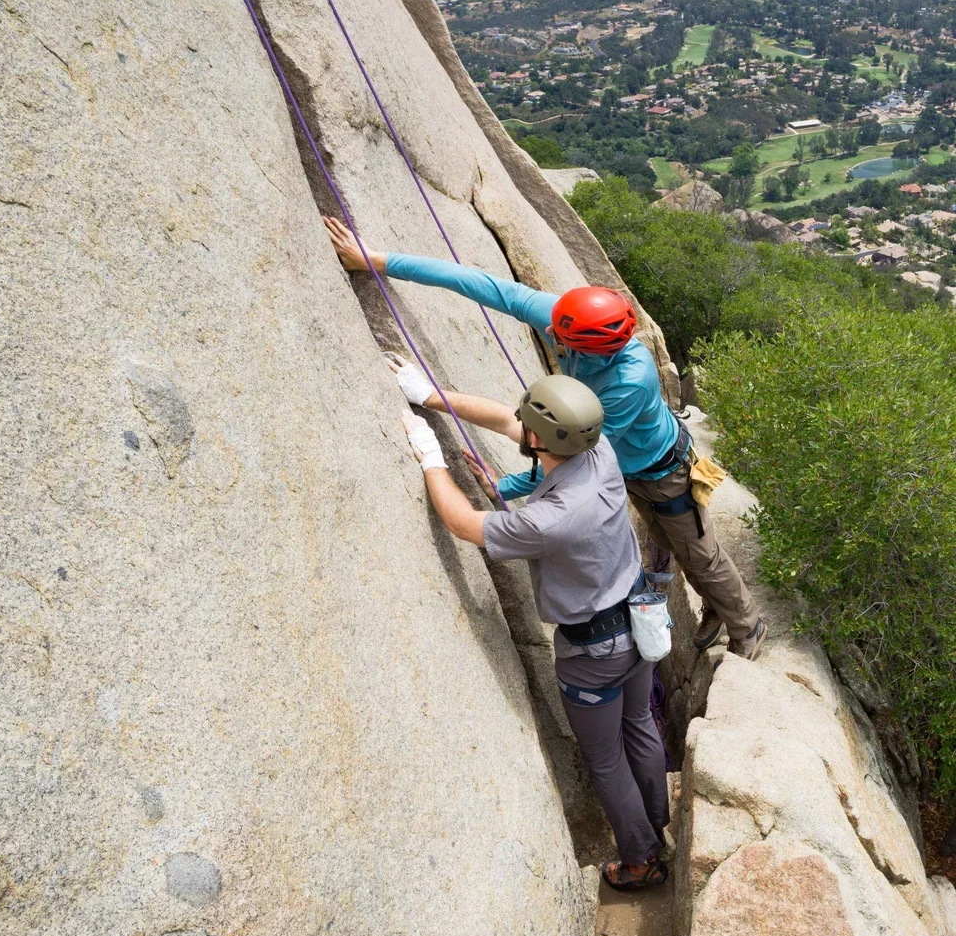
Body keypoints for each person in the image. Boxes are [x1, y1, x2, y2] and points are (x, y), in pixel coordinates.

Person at [324, 216, 767, 660]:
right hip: (630, 469)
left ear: (591, 347)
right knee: (674, 543)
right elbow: (482, 284)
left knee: (698, 552)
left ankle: (747, 624)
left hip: (661, 472)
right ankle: (716, 603)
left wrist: (507, 487)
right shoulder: (570, 319)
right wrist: (379, 260)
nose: (553, 337)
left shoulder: (629, 382)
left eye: (562, 339)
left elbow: (578, 457)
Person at [395, 365, 669, 889]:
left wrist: (431, 458)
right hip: (639, 618)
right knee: (638, 724)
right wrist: (430, 395)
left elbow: (461, 523)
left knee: (606, 757)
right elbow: (505, 419)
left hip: (594, 651)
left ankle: (641, 859)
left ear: (543, 439)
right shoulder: (601, 451)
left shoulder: (549, 518)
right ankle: (658, 820)